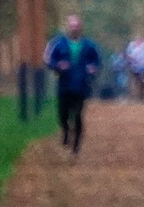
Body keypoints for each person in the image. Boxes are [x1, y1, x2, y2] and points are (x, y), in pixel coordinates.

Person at [44, 14, 105, 158]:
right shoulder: (58, 44)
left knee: (77, 115)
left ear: (81, 28)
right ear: (67, 27)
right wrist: (57, 66)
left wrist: (93, 68)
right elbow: (49, 60)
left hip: (81, 85)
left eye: (76, 26)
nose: (74, 29)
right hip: (64, 85)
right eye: (72, 26)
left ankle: (76, 146)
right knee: (63, 114)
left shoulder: (89, 45)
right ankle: (65, 131)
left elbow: (97, 61)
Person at [125, 33, 144, 103]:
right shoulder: (131, 45)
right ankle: (135, 97)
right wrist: (130, 60)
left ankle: (143, 97)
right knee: (136, 81)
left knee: (143, 82)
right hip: (134, 67)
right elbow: (127, 55)